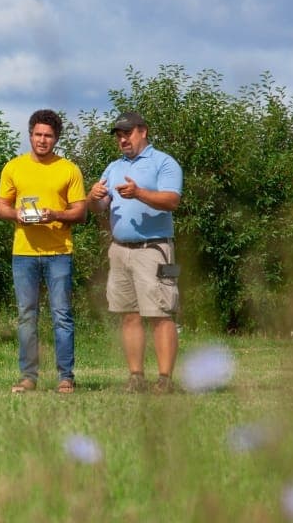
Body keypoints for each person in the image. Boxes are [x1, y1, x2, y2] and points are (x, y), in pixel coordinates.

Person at [87, 111, 184, 393]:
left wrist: (139, 193)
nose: (122, 139)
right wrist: (92, 199)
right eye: (118, 135)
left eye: (127, 133)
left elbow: (172, 200)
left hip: (155, 249)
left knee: (161, 313)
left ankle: (165, 380)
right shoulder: (113, 167)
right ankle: (136, 377)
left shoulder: (163, 162)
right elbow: (99, 206)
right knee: (128, 314)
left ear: (143, 131)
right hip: (119, 250)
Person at [0, 109, 88, 394]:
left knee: (61, 315)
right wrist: (16, 216)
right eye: (38, 134)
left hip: (59, 251)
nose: (42, 140)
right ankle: (28, 376)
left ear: (56, 138)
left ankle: (65, 376)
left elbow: (81, 212)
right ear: (30, 135)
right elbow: (1, 207)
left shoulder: (69, 169)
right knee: (26, 315)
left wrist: (54, 214)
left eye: (48, 135)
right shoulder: (13, 167)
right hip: (23, 252)